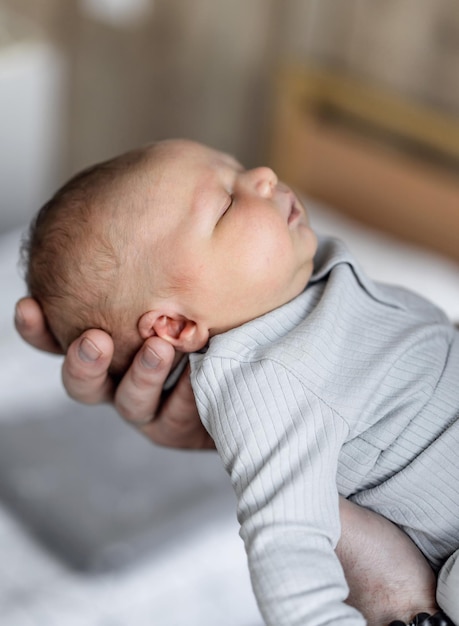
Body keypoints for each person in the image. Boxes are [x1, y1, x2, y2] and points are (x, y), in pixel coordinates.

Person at [18, 139, 459, 626]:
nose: (264, 175)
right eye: (226, 205)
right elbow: (285, 546)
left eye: (238, 168)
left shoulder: (309, 284)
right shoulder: (269, 385)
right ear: (177, 327)